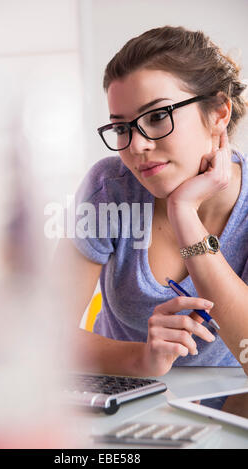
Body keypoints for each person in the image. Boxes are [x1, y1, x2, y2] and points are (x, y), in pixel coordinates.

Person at [51, 26, 248, 377]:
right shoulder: (110, 189)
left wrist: (184, 214)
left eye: (157, 117)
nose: (136, 146)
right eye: (122, 128)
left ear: (219, 113)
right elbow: (45, 337)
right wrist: (143, 358)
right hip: (128, 403)